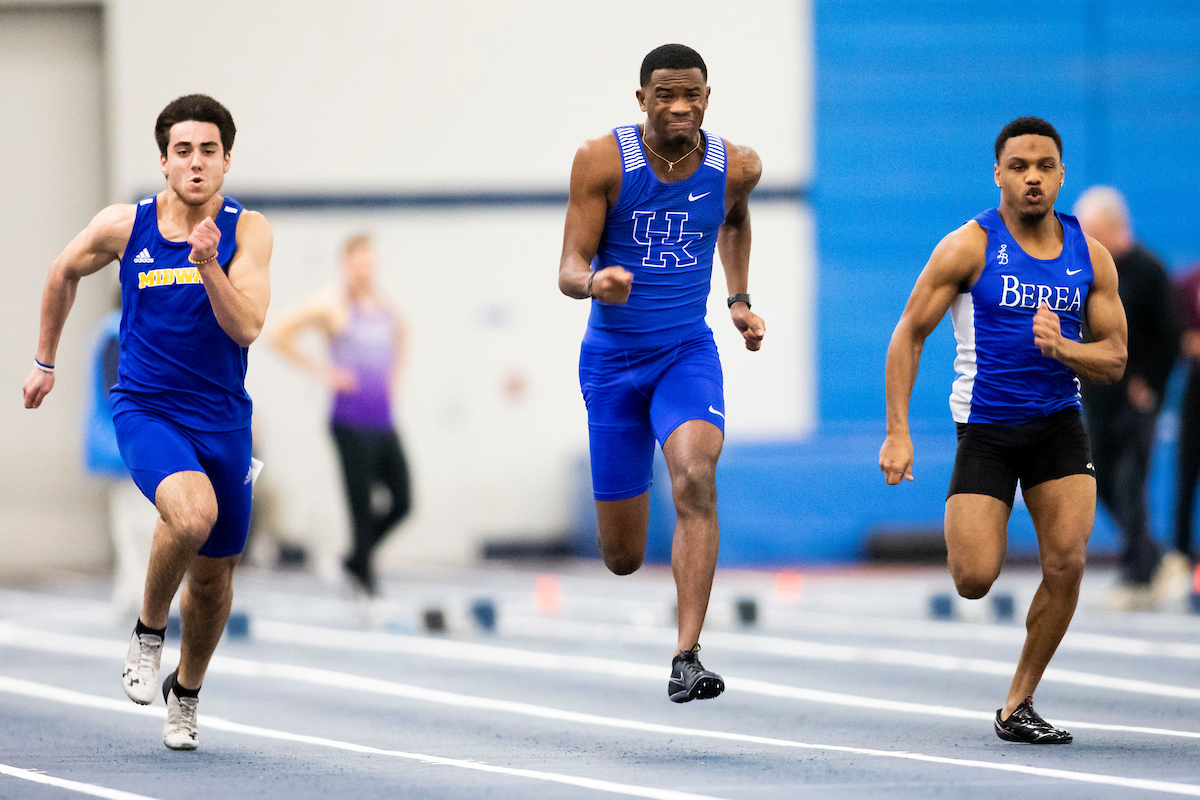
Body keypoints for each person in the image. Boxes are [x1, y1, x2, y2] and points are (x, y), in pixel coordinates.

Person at [23, 94, 272, 751]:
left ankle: (185, 695)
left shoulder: (249, 232)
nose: (195, 162)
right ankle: (147, 631)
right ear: (163, 161)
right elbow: (61, 271)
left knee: (216, 583)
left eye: (208, 151)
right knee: (191, 516)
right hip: (146, 407)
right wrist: (43, 359)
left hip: (222, 421)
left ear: (226, 162)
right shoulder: (121, 226)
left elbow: (248, 326)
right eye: (183, 150)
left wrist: (209, 264)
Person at [880, 117, 1127, 743]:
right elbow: (909, 333)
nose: (1033, 177)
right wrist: (898, 432)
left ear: (1062, 174)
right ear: (998, 174)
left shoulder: (1089, 256)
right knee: (973, 579)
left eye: (1045, 166)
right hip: (986, 430)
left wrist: (1064, 350)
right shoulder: (968, 247)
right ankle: (1013, 687)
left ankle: (1018, 701)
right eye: (1019, 166)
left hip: (1057, 427)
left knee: (1067, 562)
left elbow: (1116, 358)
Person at [558, 43, 765, 703]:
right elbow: (566, 268)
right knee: (622, 556)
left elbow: (733, 220)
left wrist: (738, 299)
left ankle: (687, 655)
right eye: (667, 95)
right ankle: (644, 577)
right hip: (613, 364)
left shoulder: (737, 165)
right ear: (642, 97)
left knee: (697, 478)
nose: (681, 107)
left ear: (708, 97)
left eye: (693, 95)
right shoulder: (600, 161)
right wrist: (597, 283)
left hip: (685, 354)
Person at [270, 234, 411, 595]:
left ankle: (356, 559)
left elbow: (403, 336)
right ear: (345, 265)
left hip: (383, 419)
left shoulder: (385, 302)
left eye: (370, 264)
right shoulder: (331, 305)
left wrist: (395, 376)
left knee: (403, 501)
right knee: (361, 509)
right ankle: (366, 581)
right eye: (358, 264)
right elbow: (279, 334)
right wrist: (324, 372)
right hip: (348, 421)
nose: (364, 271)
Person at [1072, 187, 1182, 610]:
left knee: (1130, 482)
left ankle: (1137, 572)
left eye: (1092, 228)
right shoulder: (1088, 271)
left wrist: (1149, 383)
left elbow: (1169, 335)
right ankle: (1153, 559)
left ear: (1113, 226)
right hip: (1097, 400)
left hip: (1136, 402)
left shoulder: (1148, 270)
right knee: (1099, 484)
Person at [83, 293, 160, 617]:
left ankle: (131, 591)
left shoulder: (110, 330)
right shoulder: (119, 331)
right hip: (126, 444)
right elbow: (117, 390)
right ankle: (138, 594)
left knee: (131, 523)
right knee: (140, 524)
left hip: (119, 442)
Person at [1170, 262, 1200, 585]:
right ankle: (1179, 558)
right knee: (1186, 473)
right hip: (1196, 387)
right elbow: (1178, 337)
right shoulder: (1188, 281)